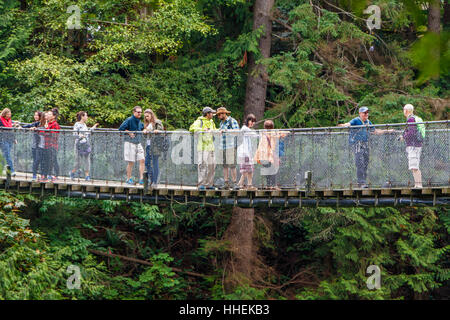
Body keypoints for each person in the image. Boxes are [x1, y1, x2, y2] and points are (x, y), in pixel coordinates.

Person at [338, 106, 392, 188]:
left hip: (365, 144)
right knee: (360, 163)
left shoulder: (368, 122)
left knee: (365, 163)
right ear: (360, 113)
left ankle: (364, 182)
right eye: (364, 113)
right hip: (357, 144)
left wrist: (387, 131)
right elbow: (349, 124)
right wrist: (343, 125)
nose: (366, 114)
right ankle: (361, 183)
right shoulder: (356, 120)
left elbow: (375, 131)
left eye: (367, 112)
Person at [189, 107, 217, 190]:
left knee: (212, 166)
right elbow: (191, 128)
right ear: (207, 114)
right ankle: (201, 184)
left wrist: (219, 131)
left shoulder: (212, 122)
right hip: (202, 147)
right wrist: (202, 129)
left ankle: (209, 184)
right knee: (202, 165)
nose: (213, 114)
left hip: (211, 147)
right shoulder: (199, 121)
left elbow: (214, 130)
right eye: (211, 113)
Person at [254, 120, 287, 190]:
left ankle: (269, 185)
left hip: (261, 156)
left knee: (268, 170)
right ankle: (273, 186)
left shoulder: (263, 133)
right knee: (273, 170)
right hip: (267, 156)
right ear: (272, 127)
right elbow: (283, 134)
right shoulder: (272, 134)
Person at [119, 106, 145, 185]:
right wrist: (129, 132)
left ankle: (141, 179)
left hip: (138, 143)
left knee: (142, 159)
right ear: (134, 112)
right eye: (138, 112)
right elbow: (120, 129)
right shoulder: (129, 119)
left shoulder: (140, 122)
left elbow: (143, 128)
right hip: (130, 143)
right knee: (131, 162)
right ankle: (128, 179)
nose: (139, 113)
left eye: (140, 112)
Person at [70, 111, 99, 181]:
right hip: (78, 145)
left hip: (85, 144)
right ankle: (72, 172)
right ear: (82, 117)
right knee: (78, 161)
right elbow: (74, 134)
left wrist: (93, 128)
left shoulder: (85, 125)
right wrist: (80, 136)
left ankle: (87, 175)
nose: (87, 117)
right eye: (86, 116)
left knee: (87, 160)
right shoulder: (77, 124)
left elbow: (87, 133)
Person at [400, 104, 424, 188]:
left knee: (414, 166)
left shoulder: (410, 119)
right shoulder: (413, 118)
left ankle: (418, 185)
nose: (403, 111)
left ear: (406, 111)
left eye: (404, 110)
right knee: (414, 166)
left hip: (413, 146)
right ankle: (417, 184)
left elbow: (411, 132)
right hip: (416, 145)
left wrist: (403, 137)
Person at [217, 107, 240, 189]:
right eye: (218, 115)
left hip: (230, 146)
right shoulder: (221, 123)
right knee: (224, 165)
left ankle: (234, 183)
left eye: (220, 114)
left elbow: (237, 132)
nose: (219, 116)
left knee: (232, 165)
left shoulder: (232, 121)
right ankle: (226, 183)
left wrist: (226, 131)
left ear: (224, 114)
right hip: (222, 146)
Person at [143, 109, 164, 186]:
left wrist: (157, 131)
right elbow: (145, 136)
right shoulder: (146, 123)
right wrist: (144, 131)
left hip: (156, 145)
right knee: (147, 163)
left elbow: (162, 132)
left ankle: (155, 181)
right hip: (148, 145)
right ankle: (151, 180)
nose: (146, 118)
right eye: (145, 117)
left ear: (151, 115)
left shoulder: (157, 122)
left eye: (148, 116)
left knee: (155, 162)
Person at [22, 111, 44, 180]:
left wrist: (36, 128)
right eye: (35, 115)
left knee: (39, 160)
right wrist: (21, 127)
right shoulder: (35, 123)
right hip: (35, 145)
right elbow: (29, 126)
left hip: (41, 145)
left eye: (37, 115)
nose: (35, 117)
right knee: (35, 160)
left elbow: (43, 129)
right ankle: (34, 175)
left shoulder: (41, 123)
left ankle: (41, 174)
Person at [237, 114, 257, 190]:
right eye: (251, 121)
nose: (252, 123)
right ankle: (243, 184)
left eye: (253, 121)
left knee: (249, 169)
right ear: (247, 121)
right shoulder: (244, 128)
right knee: (247, 170)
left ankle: (246, 184)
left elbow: (254, 135)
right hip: (244, 153)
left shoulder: (247, 129)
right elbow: (254, 134)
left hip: (247, 153)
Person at [42, 108, 61, 182]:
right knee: (46, 160)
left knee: (52, 160)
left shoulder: (55, 124)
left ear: (53, 116)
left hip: (52, 145)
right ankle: (46, 175)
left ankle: (54, 175)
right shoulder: (47, 123)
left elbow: (55, 135)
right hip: (46, 145)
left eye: (50, 114)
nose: (48, 116)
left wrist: (47, 130)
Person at [0, 108, 19, 177]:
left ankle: (5, 169)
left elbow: (11, 130)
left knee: (6, 155)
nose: (9, 115)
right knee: (7, 155)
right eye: (8, 114)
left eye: (10, 114)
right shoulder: (0, 120)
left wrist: (14, 139)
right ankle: (12, 171)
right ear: (4, 114)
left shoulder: (10, 121)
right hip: (3, 140)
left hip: (10, 139)